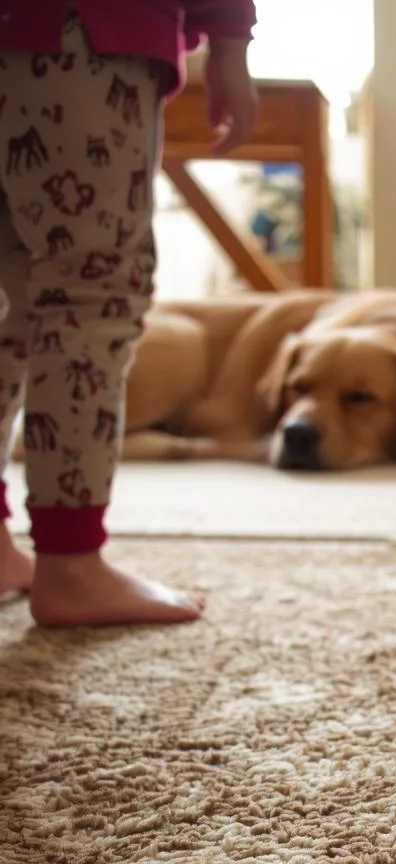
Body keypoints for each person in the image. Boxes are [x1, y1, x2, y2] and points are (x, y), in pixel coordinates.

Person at [0, 1, 257, 625]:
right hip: (79, 24)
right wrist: (229, 35)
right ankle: (72, 564)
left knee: (14, 294)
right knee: (91, 287)